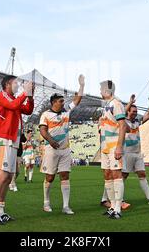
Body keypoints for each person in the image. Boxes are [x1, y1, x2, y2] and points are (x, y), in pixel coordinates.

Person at [0, 75, 34, 225]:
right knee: (2, 176)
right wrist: (24, 93)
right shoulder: (2, 96)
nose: (18, 85)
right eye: (15, 82)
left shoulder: (13, 98)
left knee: (8, 177)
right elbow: (14, 106)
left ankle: (0, 210)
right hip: (3, 139)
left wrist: (30, 96)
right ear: (7, 84)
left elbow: (27, 110)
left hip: (13, 140)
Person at [39, 74, 85, 215]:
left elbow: (77, 100)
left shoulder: (66, 112)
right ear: (54, 102)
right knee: (50, 177)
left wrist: (81, 85)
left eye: (63, 101)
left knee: (65, 176)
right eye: (60, 101)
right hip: (51, 150)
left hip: (65, 150)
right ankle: (46, 203)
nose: (63, 103)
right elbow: (42, 130)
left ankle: (66, 206)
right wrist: (51, 140)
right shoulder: (45, 114)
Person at [121, 94, 149, 205]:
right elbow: (120, 114)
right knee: (123, 176)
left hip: (137, 153)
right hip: (127, 153)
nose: (135, 113)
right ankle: (119, 199)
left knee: (142, 174)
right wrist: (129, 102)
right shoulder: (122, 121)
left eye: (136, 111)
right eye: (133, 111)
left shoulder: (137, 121)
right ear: (128, 111)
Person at [99, 80, 127, 219]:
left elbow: (123, 126)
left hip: (114, 145)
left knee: (116, 175)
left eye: (101, 89)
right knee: (107, 175)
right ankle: (112, 206)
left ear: (106, 91)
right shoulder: (106, 106)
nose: (99, 91)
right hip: (105, 147)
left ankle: (118, 209)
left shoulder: (117, 104)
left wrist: (119, 147)